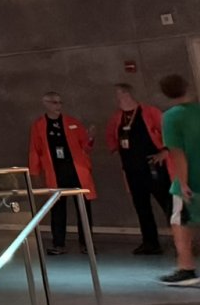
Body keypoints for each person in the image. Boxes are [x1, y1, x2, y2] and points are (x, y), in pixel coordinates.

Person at [28, 91, 97, 255]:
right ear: (45, 104)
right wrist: (35, 173)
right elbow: (35, 150)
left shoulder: (72, 122)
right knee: (57, 209)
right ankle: (58, 244)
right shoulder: (39, 126)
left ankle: (86, 243)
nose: (58, 106)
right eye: (54, 102)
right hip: (56, 173)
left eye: (60, 102)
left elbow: (85, 146)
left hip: (76, 171)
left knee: (83, 208)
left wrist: (91, 138)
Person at [106, 83, 170, 256]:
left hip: (153, 167)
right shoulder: (117, 117)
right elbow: (111, 136)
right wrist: (115, 149)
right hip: (132, 170)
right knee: (142, 207)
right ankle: (150, 243)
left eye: (118, 94)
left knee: (168, 203)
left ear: (126, 94)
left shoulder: (149, 112)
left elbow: (168, 131)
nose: (116, 99)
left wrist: (164, 151)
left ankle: (185, 241)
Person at [158, 73, 200, 286]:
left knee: (180, 222)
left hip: (193, 177)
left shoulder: (171, 117)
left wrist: (182, 182)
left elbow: (177, 152)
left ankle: (186, 268)